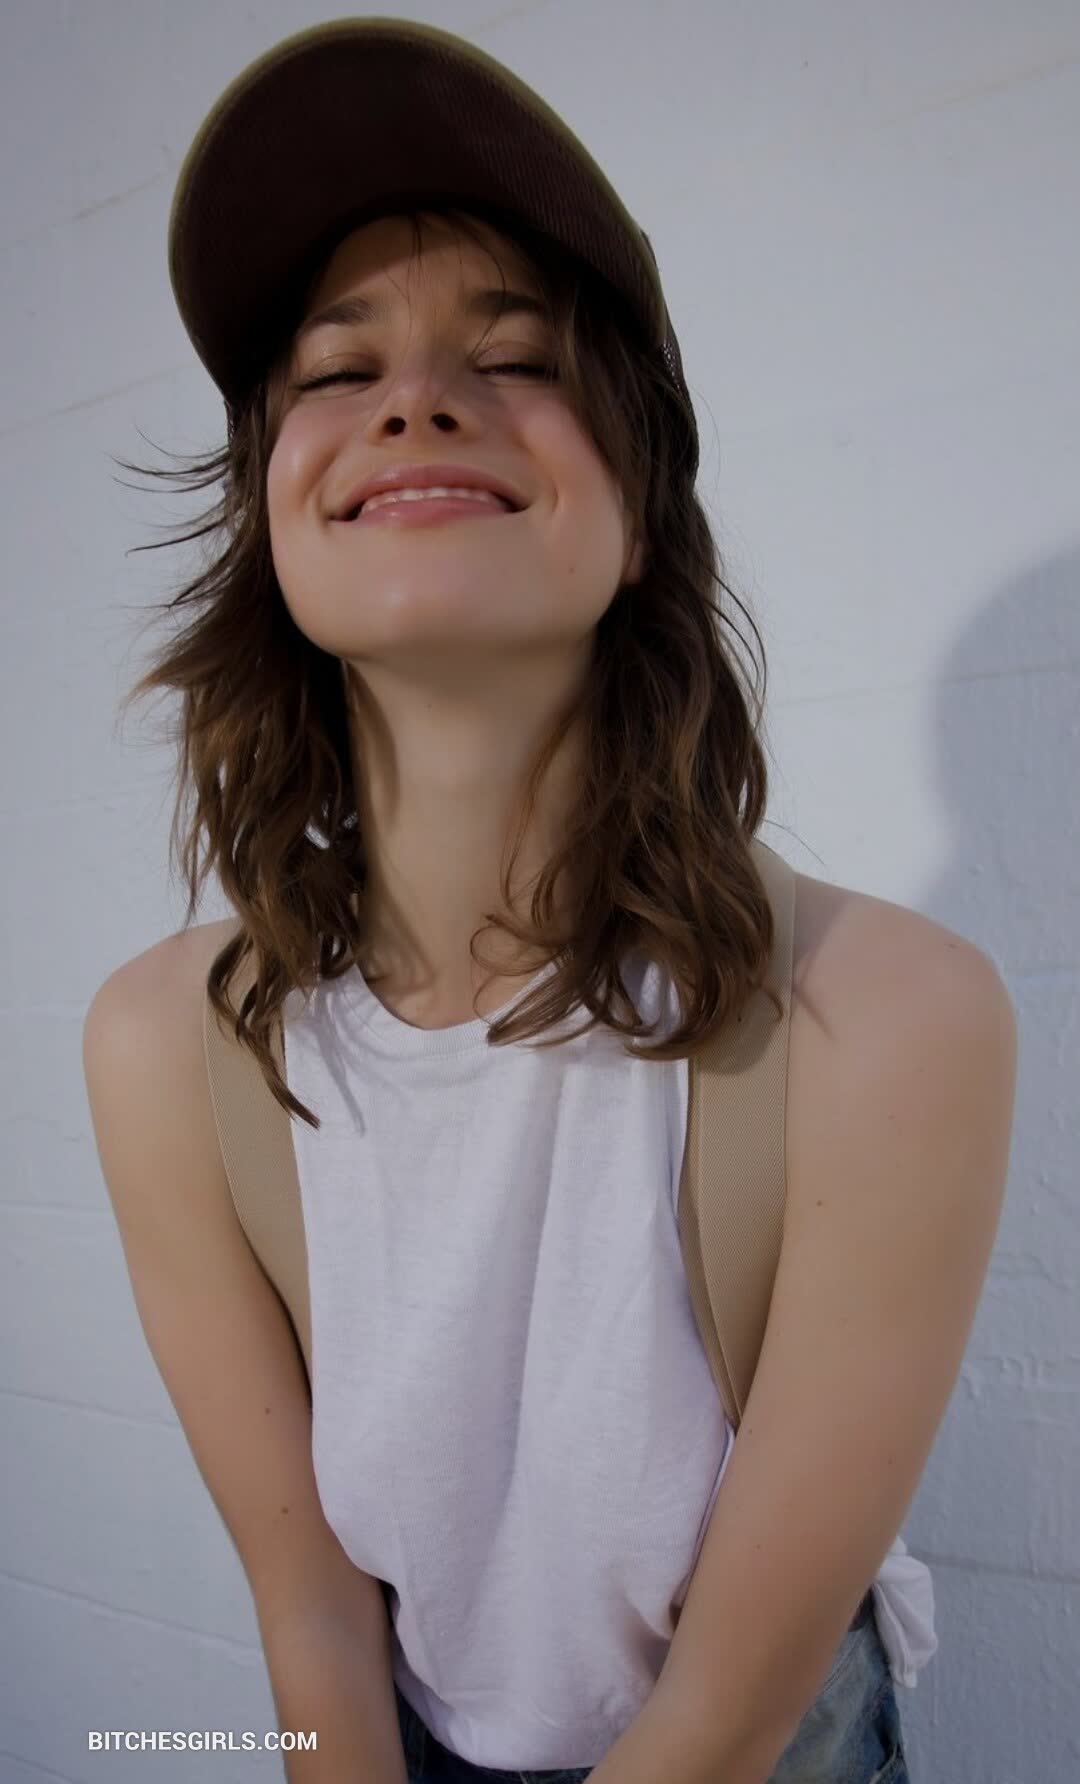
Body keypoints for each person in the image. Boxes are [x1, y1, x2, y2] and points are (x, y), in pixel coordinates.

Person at [81, 20, 1017, 1784]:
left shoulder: (889, 1020)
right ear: (270, 519)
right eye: (336, 369)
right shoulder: (165, 1051)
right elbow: (310, 1619)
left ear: (640, 514)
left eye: (513, 358)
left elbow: (723, 1722)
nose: (415, 402)